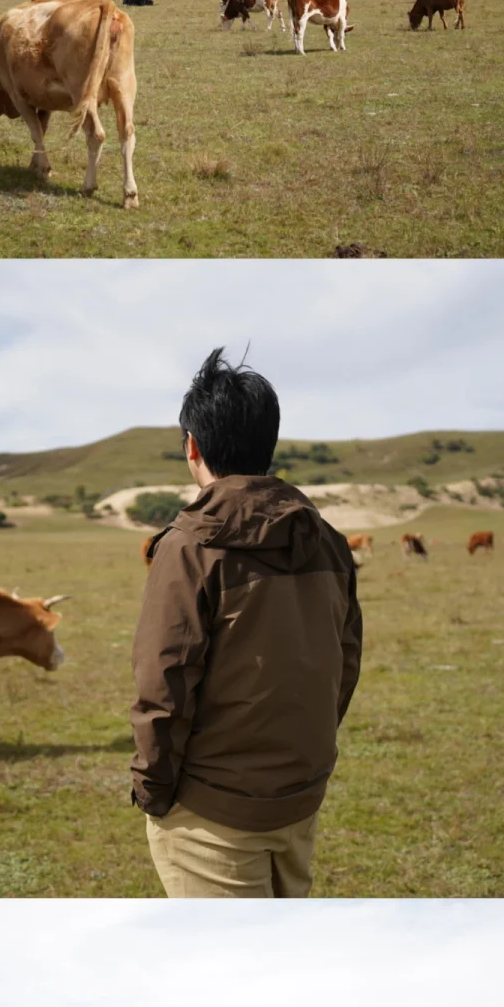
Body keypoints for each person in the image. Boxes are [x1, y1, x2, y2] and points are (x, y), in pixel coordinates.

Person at [131, 346, 363, 897]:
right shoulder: (327, 540)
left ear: (193, 446)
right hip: (299, 800)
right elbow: (343, 664)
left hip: (211, 816)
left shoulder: (189, 546)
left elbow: (164, 682)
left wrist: (153, 790)